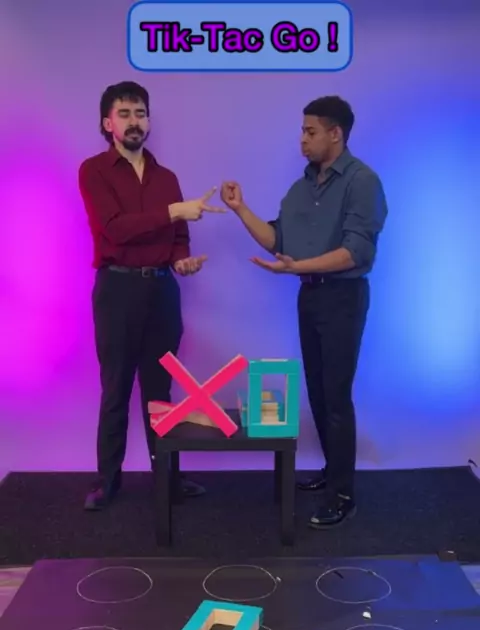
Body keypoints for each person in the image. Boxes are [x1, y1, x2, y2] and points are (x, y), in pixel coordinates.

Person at [221, 96, 388, 528]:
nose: (302, 139)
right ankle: (333, 472)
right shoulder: (302, 187)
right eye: (302, 131)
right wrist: (240, 209)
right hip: (310, 296)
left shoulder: (362, 181)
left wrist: (299, 267)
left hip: (343, 297)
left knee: (336, 396)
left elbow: (355, 252)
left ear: (336, 134)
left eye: (310, 131)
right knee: (317, 392)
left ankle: (343, 494)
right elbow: (277, 239)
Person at [79, 81, 225, 510]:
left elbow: (178, 237)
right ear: (108, 124)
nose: (134, 121)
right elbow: (116, 229)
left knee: (160, 392)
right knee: (116, 389)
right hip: (118, 289)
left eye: (140, 113)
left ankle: (169, 479)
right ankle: (108, 482)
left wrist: (182, 261)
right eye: (124, 114)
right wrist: (175, 210)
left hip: (162, 290)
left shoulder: (167, 178)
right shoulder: (94, 170)